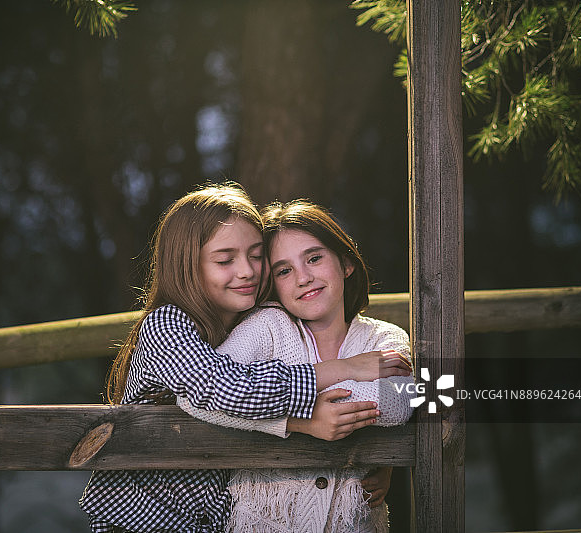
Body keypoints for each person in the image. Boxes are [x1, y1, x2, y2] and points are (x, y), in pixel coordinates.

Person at [79, 184, 411, 533]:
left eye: (256, 256)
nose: (247, 271)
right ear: (187, 267)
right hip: (147, 514)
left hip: (211, 519)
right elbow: (224, 391)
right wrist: (330, 385)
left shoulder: (248, 322)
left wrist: (377, 450)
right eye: (225, 260)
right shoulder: (167, 325)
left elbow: (404, 398)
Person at [178, 200, 415, 533]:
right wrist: (299, 419)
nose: (303, 278)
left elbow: (397, 403)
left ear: (346, 263)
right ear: (273, 283)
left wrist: (254, 398)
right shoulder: (267, 327)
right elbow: (196, 397)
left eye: (314, 258)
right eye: (284, 270)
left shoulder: (383, 336)